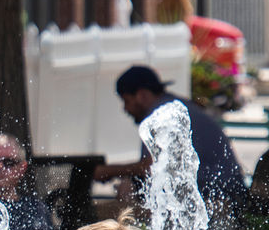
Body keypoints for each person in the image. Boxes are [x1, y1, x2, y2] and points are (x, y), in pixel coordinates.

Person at [96, 65, 248, 216]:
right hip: (220, 192)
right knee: (128, 190)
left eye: (126, 101)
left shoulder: (163, 115)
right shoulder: (172, 107)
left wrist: (108, 171)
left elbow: (151, 166)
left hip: (217, 199)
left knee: (110, 214)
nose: (125, 109)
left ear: (142, 95)